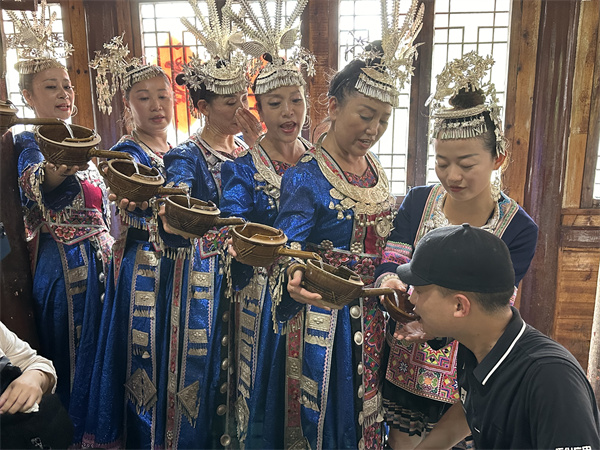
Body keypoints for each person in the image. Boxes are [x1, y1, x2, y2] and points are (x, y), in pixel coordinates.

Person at [273, 2, 423, 448]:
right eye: (364, 113)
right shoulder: (307, 174)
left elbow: (390, 240)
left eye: (383, 118)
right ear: (334, 106)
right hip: (326, 317)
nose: (373, 127)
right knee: (330, 422)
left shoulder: (374, 168)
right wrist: (293, 275)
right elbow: (288, 245)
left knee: (370, 418)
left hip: (376, 314)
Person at [374, 52, 539, 449]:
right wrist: (390, 284)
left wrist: (435, 326)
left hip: (468, 366)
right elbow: (392, 260)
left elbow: (494, 304)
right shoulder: (417, 201)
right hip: (405, 359)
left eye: (466, 163)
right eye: (442, 162)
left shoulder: (518, 228)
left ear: (497, 158)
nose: (452, 176)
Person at [390, 223, 600, 449]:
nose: (412, 300)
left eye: (420, 291)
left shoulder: (551, 379)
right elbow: (469, 406)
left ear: (460, 305)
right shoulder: (474, 343)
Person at [7, 3, 113, 445]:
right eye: (51, 86)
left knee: (102, 352)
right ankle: (70, 433)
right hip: (64, 266)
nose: (64, 93)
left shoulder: (81, 137)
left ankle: (99, 428)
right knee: (72, 356)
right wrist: (62, 163)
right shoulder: (29, 140)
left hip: (103, 261)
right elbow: (35, 183)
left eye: (67, 85)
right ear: (28, 96)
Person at [156, 1, 257, 446]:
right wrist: (174, 205)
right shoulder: (186, 154)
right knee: (211, 368)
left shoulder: (248, 150)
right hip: (205, 275)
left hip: (251, 272)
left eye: (243, 99)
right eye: (229, 102)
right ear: (202, 106)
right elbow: (177, 204)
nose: (241, 109)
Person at [220, 1, 314, 446]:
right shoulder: (242, 168)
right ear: (260, 111)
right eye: (275, 103)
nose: (288, 111)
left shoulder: (323, 163)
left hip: (315, 292)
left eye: (297, 100)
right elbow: (231, 226)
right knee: (266, 390)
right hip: (262, 298)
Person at [83, 35, 175, 448]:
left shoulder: (180, 150)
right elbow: (133, 206)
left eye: (163, 95)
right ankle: (143, 436)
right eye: (144, 98)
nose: (157, 105)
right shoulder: (125, 152)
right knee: (145, 356)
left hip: (181, 264)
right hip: (144, 266)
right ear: (128, 106)